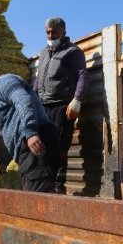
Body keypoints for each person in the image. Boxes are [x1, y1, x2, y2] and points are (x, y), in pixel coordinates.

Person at [0, 69, 59, 193]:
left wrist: (31, 133)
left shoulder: (3, 82)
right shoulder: (0, 96)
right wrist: (4, 161)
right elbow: (12, 133)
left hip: (35, 142)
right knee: (42, 193)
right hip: (30, 144)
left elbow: (23, 100)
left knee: (36, 198)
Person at [33, 17, 88, 194]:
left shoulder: (72, 52)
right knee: (43, 144)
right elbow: (38, 80)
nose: (50, 35)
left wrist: (77, 99)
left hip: (61, 107)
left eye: (54, 32)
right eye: (47, 32)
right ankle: (45, 181)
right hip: (43, 106)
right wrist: (32, 98)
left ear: (63, 31)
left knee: (59, 146)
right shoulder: (43, 52)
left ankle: (58, 184)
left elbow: (82, 75)